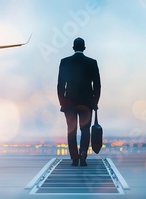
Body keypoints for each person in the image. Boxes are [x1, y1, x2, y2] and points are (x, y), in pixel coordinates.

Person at [57, 37, 101, 166]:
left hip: (69, 103)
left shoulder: (65, 62)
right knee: (85, 130)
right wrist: (95, 102)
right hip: (87, 103)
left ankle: (74, 158)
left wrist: (62, 101)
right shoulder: (92, 62)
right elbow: (97, 85)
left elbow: (60, 84)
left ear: (73, 47)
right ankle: (83, 156)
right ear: (84, 48)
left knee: (71, 130)